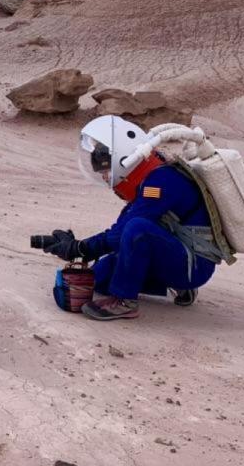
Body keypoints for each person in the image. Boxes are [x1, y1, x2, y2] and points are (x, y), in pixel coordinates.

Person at [41, 115, 226, 321]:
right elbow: (119, 232)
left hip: (193, 266)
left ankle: (125, 302)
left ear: (122, 157)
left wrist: (80, 248)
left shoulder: (160, 182)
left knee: (138, 229)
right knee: (99, 278)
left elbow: (123, 233)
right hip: (180, 254)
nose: (105, 176)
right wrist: (80, 249)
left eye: (106, 170)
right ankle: (174, 285)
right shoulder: (149, 176)